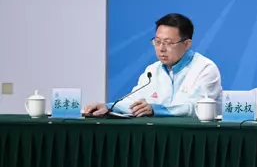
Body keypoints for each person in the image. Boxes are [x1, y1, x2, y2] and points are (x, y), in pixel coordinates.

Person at [83, 13, 222, 118]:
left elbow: (197, 108)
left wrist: (155, 110)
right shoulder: (152, 71)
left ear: (187, 44)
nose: (161, 49)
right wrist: (108, 108)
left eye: (168, 43)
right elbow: (133, 102)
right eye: (157, 41)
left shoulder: (205, 69)